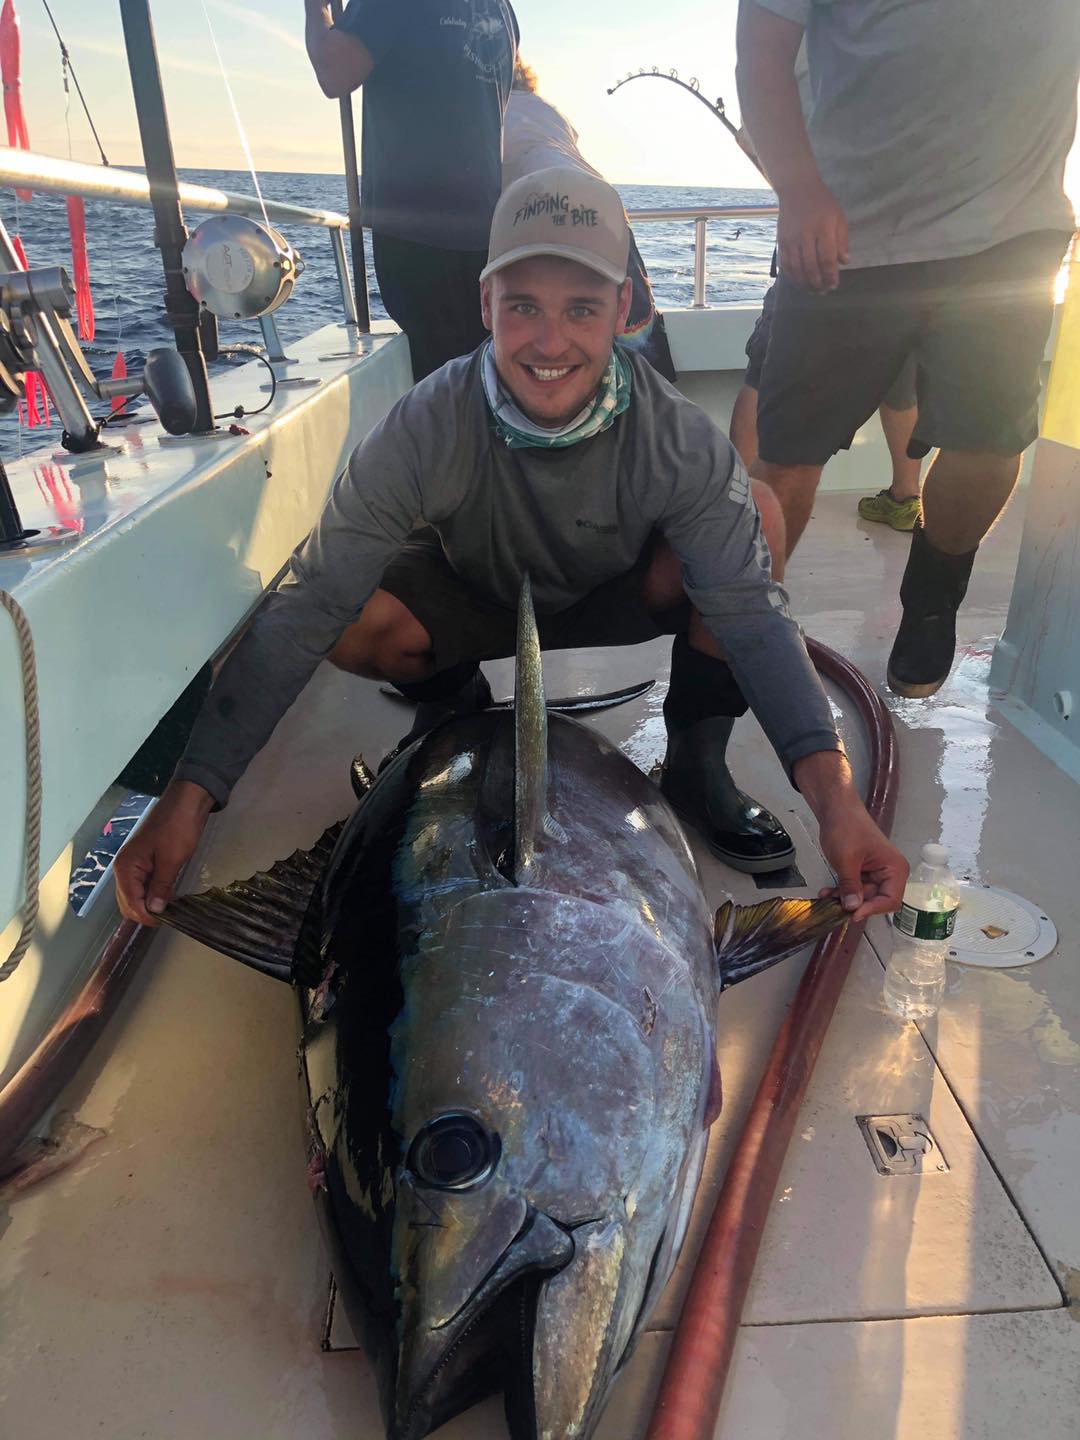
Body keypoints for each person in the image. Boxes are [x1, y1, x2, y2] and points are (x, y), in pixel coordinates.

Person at [114, 167, 907, 928]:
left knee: (757, 515)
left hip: (615, 592)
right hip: (477, 594)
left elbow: (752, 616)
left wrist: (837, 806)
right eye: (524, 306)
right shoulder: (422, 427)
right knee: (348, 615)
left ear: (623, 308)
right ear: (485, 301)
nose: (550, 341)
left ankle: (697, 762)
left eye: (582, 308)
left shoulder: (677, 440)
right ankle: (454, 709)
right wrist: (186, 801)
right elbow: (310, 606)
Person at [736, 0, 1079, 696]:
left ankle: (932, 593)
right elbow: (763, 48)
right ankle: (736, 640)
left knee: (991, 446)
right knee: (788, 454)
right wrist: (797, 188)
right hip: (844, 232)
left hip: (1012, 232)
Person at [304, 0, 518, 381]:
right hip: (487, 234)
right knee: (477, 375)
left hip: (418, 234)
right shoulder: (502, 10)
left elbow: (334, 71)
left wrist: (317, 8)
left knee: (442, 383)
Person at [503, 58, 677, 381]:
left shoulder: (494, 112)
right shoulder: (549, 112)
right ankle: (651, 395)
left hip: (541, 210)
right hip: (607, 212)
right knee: (637, 335)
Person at [731, 284, 923, 531]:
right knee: (899, 374)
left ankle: (739, 504)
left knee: (762, 375)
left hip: (819, 280)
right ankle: (905, 497)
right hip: (902, 285)